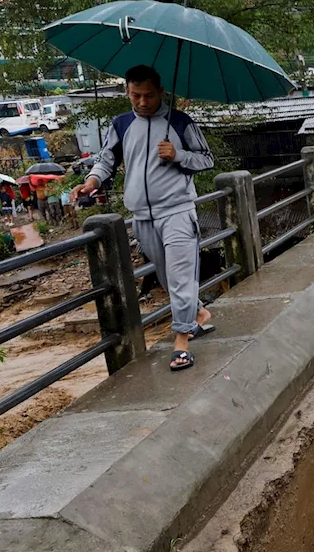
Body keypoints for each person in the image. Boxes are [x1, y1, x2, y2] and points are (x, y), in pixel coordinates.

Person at [71, 64, 216, 372]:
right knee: (165, 275)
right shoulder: (121, 124)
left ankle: (181, 341)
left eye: (148, 95)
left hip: (177, 211)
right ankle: (199, 315)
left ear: (161, 92)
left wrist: (177, 155)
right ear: (127, 92)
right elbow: (106, 160)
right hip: (142, 217)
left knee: (180, 276)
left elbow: (206, 159)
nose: (142, 102)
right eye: (135, 95)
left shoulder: (180, 121)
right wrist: (92, 182)